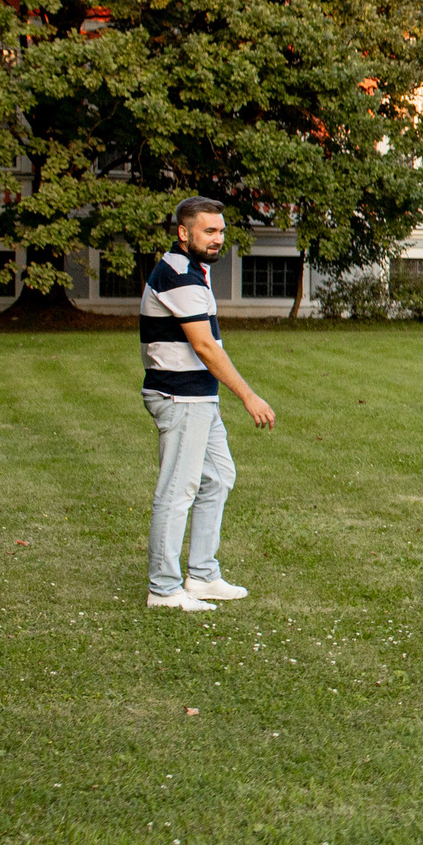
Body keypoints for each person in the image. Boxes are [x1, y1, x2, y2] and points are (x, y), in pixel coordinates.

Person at [140, 198, 276, 612]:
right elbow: (204, 346)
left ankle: (201, 576)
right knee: (177, 490)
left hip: (198, 396)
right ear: (184, 233)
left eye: (221, 231)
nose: (218, 239)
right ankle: (164, 590)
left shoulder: (193, 269)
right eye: (209, 231)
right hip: (180, 396)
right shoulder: (178, 274)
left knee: (217, 477)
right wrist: (248, 395)